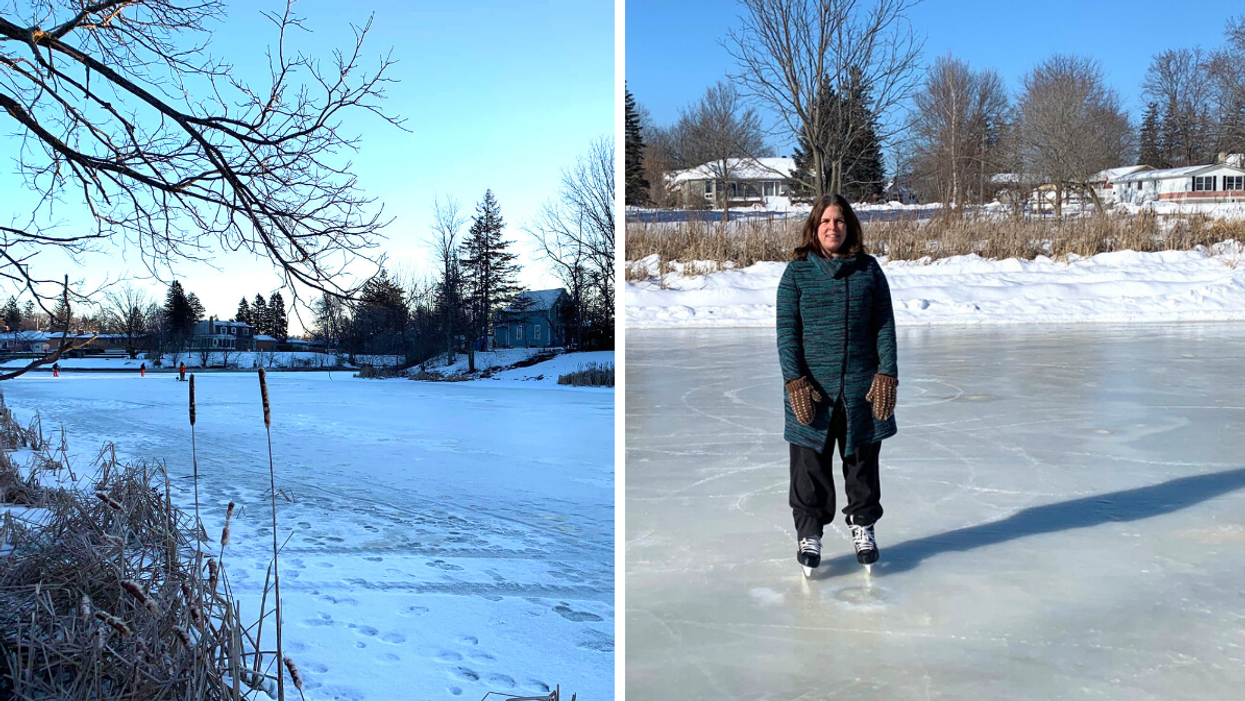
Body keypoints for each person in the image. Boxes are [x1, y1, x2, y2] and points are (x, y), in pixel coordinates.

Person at [776, 193, 898, 575]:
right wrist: (794, 381)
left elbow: (884, 326)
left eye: (840, 220)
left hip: (861, 386)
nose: (833, 227)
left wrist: (887, 372)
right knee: (809, 466)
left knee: (862, 462)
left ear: (850, 227)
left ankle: (863, 525)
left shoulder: (869, 270)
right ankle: (809, 533)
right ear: (815, 227)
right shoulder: (796, 273)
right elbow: (787, 334)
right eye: (826, 221)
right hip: (811, 389)